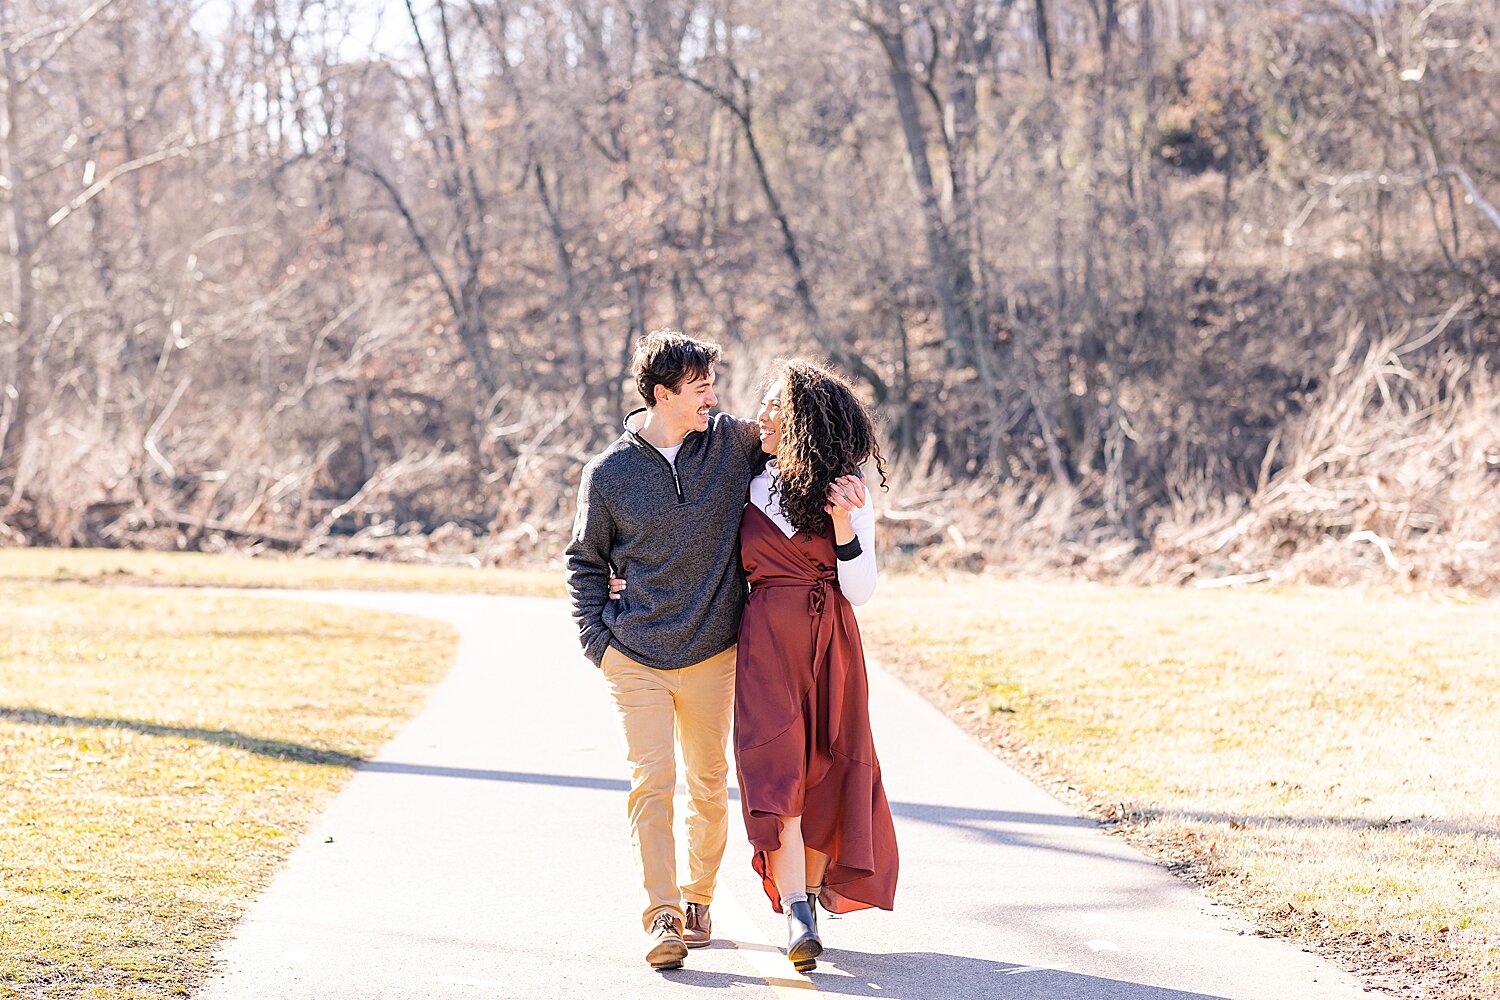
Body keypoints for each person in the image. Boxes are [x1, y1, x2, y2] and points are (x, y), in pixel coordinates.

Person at [564, 331, 763, 971]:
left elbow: (794, 451)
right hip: (636, 655)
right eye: (701, 389)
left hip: (712, 652)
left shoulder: (730, 445)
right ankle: (662, 913)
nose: (713, 399)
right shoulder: (609, 474)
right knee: (652, 782)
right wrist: (599, 642)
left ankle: (700, 898)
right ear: (662, 394)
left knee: (708, 782)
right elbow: (583, 562)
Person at [735, 358, 898, 972]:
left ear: (803, 418)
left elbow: (861, 589)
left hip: (831, 639)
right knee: (776, 769)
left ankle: (812, 894)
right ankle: (797, 912)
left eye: (775, 403)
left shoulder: (847, 490)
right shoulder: (749, 483)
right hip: (765, 644)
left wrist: (842, 524)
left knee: (825, 765)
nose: (763, 414)